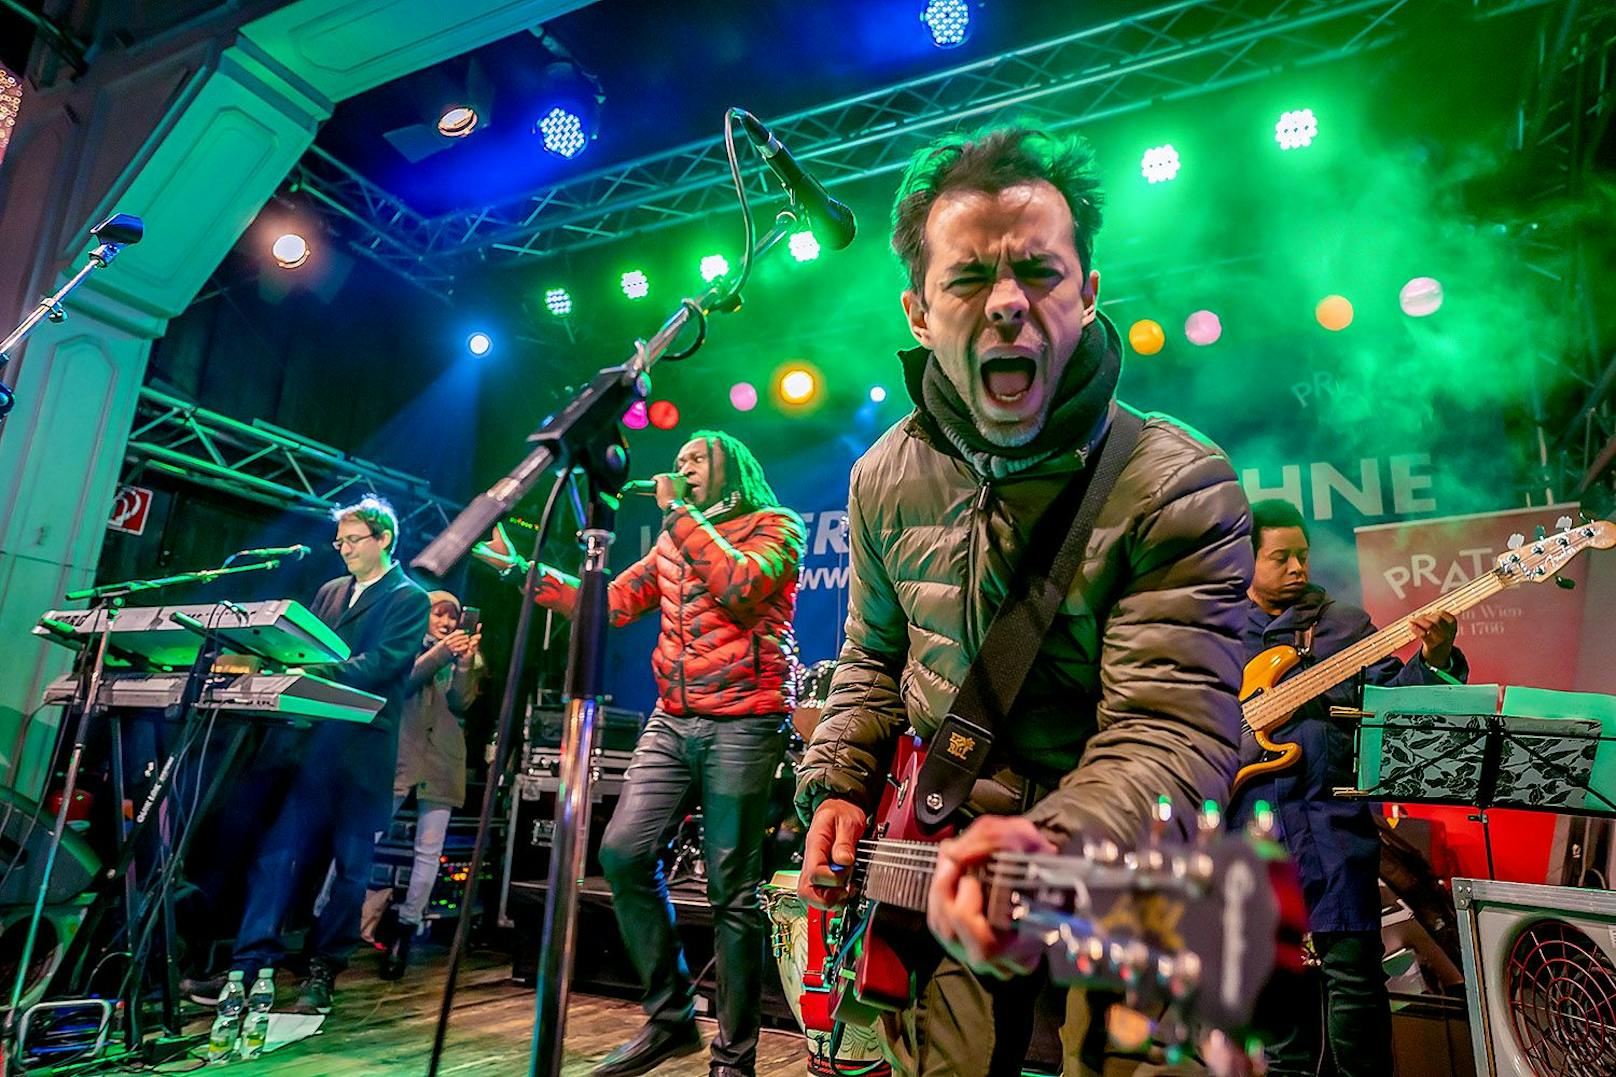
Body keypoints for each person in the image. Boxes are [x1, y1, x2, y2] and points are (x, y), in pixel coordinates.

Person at [792, 122, 1254, 1077]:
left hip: (1126, 888)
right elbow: (874, 659)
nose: (1007, 302)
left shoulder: (1177, 482)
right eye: (968, 279)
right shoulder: (882, 475)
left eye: (1039, 272)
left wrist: (1037, 840)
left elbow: (1173, 732)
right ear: (919, 311)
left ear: (1087, 295)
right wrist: (840, 783)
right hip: (941, 878)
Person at [476, 431, 805, 1077]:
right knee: (622, 851)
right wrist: (524, 571)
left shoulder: (777, 525)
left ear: (731, 467)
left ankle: (734, 1059)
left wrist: (680, 515)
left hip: (745, 719)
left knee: (731, 889)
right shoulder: (671, 541)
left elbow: (740, 584)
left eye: (695, 461)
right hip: (673, 718)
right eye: (677, 461)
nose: (679, 468)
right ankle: (671, 1015)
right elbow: (613, 603)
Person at [1228, 499, 1465, 1077]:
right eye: (1280, 557)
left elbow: (1398, 703)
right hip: (1251, 837)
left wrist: (1434, 658)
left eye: (1302, 556)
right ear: (1247, 559)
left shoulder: (1343, 626)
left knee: (1357, 991)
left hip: (1334, 830)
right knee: (1280, 1018)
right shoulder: (1215, 629)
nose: (1296, 568)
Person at [182, 497, 429, 1014]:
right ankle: (248, 968)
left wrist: (309, 674)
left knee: (348, 870)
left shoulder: (409, 598)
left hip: (360, 753)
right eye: (339, 541)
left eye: (353, 540)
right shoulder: (330, 591)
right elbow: (304, 646)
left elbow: (382, 664)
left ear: (384, 539)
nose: (343, 549)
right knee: (276, 857)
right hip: (307, 745)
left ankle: (323, 972)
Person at [375, 588, 482, 979]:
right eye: (438, 615)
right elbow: (402, 682)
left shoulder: (458, 658)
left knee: (428, 852)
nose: (447, 623)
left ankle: (406, 931)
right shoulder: (406, 645)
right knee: (364, 839)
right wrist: (440, 654)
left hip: (442, 761)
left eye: (451, 617)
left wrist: (466, 665)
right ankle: (330, 921)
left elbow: (461, 703)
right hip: (398, 758)